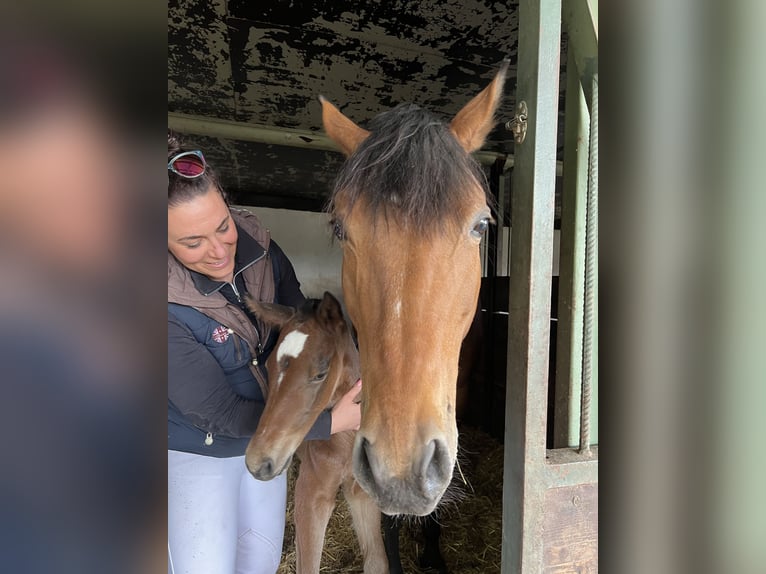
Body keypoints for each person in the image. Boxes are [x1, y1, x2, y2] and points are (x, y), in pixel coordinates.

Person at [167, 130, 362, 574]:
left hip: (271, 433)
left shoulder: (261, 250)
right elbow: (216, 410)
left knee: (260, 560)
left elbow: (300, 323)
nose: (219, 252)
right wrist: (331, 422)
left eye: (222, 227)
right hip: (200, 451)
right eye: (192, 243)